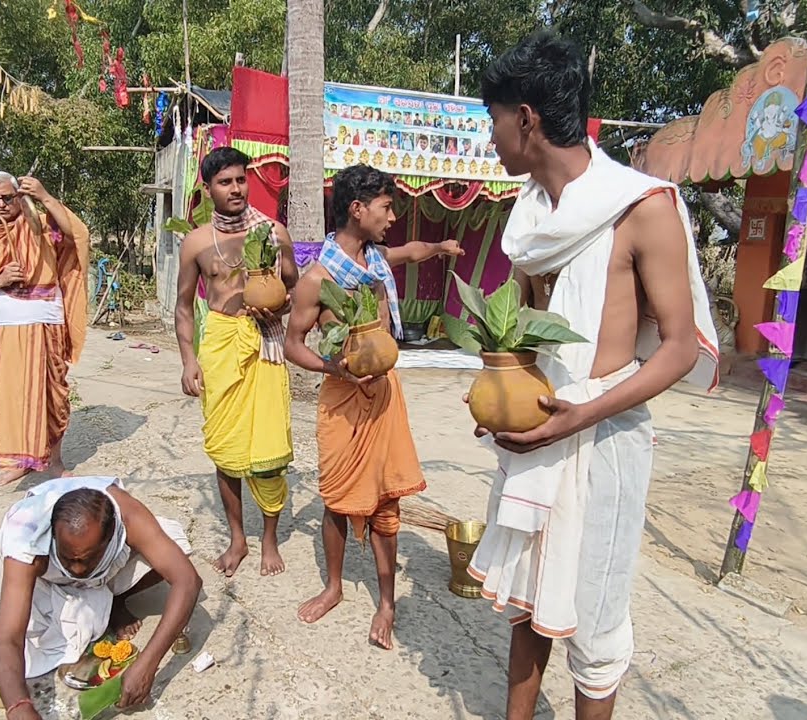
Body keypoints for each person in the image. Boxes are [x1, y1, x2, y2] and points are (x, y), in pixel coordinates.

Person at [465, 33, 720, 720]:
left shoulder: (643, 206)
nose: (489, 138)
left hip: (602, 439)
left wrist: (580, 413)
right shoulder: (528, 217)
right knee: (527, 600)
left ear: (526, 119)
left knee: (595, 616)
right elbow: (520, 332)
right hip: (535, 429)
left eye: (492, 121)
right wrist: (498, 394)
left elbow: (678, 348)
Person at [284, 164, 464, 649]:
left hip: (385, 397)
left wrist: (442, 248)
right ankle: (335, 587)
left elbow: (412, 251)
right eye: (386, 208)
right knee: (336, 499)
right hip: (342, 399)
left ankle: (386, 602)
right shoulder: (317, 280)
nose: (391, 218)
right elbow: (293, 345)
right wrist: (333, 369)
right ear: (356, 209)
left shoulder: (378, 259)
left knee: (388, 502)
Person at [0, 476, 201, 718]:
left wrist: (147, 666)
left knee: (173, 542)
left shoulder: (127, 514)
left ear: (111, 538)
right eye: (68, 557)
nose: (76, 569)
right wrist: (19, 707)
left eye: (85, 559)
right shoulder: (28, 537)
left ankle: (114, 602)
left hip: (104, 579)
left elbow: (187, 580)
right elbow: (7, 639)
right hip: (46, 585)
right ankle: (94, 608)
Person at [174, 147, 299, 578]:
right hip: (222, 346)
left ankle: (268, 539)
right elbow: (184, 307)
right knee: (226, 450)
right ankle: (237, 539)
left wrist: (275, 311)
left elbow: (293, 291)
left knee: (268, 452)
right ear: (207, 189)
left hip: (264, 344)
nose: (236, 189)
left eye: (241, 180)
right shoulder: (195, 242)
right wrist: (189, 361)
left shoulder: (273, 232)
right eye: (225, 182)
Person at [0, 172, 90, 485]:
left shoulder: (40, 223)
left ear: (17, 195)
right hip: (5, 321)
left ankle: (54, 461)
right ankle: (21, 459)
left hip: (47, 315)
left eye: (7, 197)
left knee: (54, 392)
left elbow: (77, 235)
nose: (1, 204)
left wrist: (44, 195)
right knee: (14, 395)